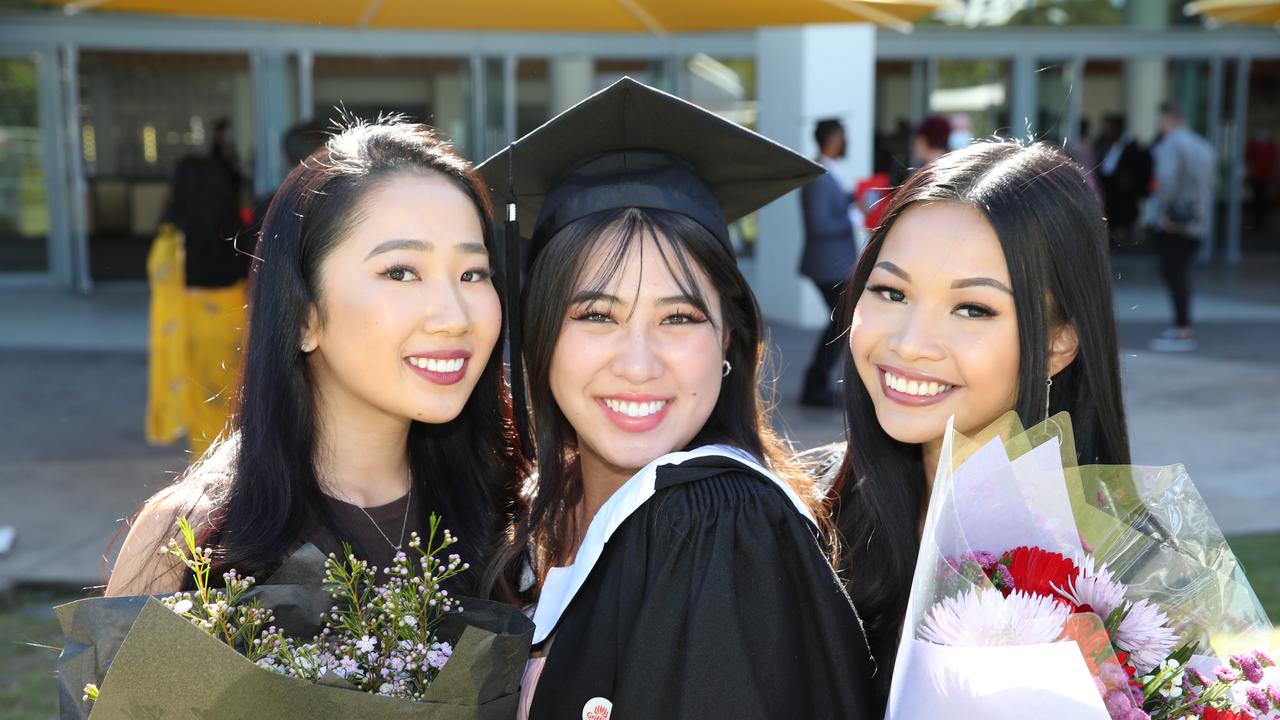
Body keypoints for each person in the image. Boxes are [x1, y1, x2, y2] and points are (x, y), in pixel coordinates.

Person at [479, 78, 874, 720]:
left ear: (729, 338)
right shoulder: (536, 503)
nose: (638, 365)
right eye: (597, 315)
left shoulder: (719, 524)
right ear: (540, 334)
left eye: (680, 318)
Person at [110, 119, 525, 602]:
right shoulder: (190, 543)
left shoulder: (518, 516)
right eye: (401, 272)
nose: (454, 317)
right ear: (303, 312)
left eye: (473, 274)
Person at [831, 141, 1132, 714]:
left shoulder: (1112, 572)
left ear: (1059, 342)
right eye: (891, 292)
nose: (910, 343)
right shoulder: (800, 517)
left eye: (972, 308)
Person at [145, 154, 250, 455]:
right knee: (236, 401)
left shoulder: (173, 236)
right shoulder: (236, 225)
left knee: (204, 406)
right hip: (234, 316)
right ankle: (242, 467)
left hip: (193, 322)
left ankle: (214, 480)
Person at [799, 118, 859, 407]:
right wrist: (854, 219)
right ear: (834, 139)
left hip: (833, 263)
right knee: (840, 323)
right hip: (828, 265)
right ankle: (815, 385)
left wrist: (853, 198)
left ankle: (817, 383)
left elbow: (832, 206)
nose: (847, 142)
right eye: (844, 136)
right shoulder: (820, 176)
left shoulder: (826, 171)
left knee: (839, 322)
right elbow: (820, 225)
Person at [1148, 100, 1214, 353]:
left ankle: (1182, 329)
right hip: (1197, 221)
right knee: (1182, 275)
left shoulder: (1172, 145)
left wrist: (1162, 214)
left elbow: (1167, 180)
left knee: (1174, 274)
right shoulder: (1203, 145)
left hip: (1176, 222)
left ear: (1167, 121)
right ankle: (1183, 326)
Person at [1094, 113, 1152, 246]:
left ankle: (1126, 241)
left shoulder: (1130, 146)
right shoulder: (1103, 143)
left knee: (1125, 215)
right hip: (1108, 185)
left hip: (1123, 189)